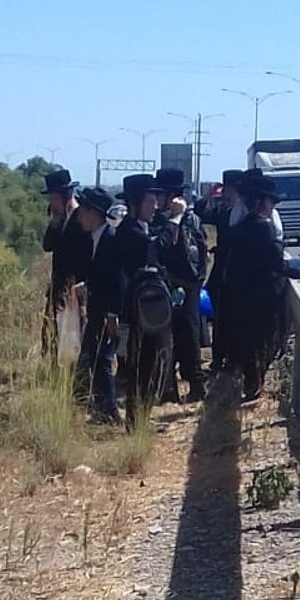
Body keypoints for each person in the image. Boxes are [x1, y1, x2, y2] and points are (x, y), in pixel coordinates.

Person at [113, 173, 173, 426]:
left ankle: (142, 417)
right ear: (136, 204)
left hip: (148, 307)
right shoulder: (130, 231)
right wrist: (175, 221)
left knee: (152, 363)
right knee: (142, 365)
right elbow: (157, 248)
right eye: (150, 201)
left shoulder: (141, 227)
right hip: (137, 311)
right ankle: (137, 421)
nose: (155, 206)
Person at [223, 172, 286, 403]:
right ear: (260, 202)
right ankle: (255, 386)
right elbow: (277, 262)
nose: (272, 207)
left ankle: (252, 385)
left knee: (248, 343)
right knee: (267, 341)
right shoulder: (264, 228)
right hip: (263, 298)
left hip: (241, 298)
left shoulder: (240, 227)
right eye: (270, 202)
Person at [154, 165, 207, 404]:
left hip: (186, 287)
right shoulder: (158, 221)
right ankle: (169, 388)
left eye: (160, 194)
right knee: (165, 340)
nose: (156, 199)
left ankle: (196, 386)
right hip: (165, 286)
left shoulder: (190, 220)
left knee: (189, 337)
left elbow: (194, 259)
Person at [73, 185, 122, 423]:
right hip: (97, 309)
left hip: (105, 312)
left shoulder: (110, 239)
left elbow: (117, 279)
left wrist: (113, 313)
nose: (78, 215)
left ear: (93, 212)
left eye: (82, 209)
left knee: (103, 360)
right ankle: (102, 408)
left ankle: (109, 412)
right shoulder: (96, 238)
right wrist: (87, 285)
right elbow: (100, 275)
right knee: (95, 358)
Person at [41, 166, 93, 357]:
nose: (52, 202)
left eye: (54, 198)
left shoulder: (81, 218)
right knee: (53, 335)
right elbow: (47, 246)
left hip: (75, 289)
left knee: (73, 338)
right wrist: (54, 224)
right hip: (58, 287)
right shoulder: (59, 219)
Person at [206, 169, 245, 372]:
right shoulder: (223, 212)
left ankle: (231, 359)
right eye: (225, 189)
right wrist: (209, 194)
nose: (227, 194)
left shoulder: (244, 215)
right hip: (220, 273)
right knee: (219, 321)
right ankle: (219, 358)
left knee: (232, 320)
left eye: (230, 189)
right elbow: (202, 212)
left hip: (236, 275)